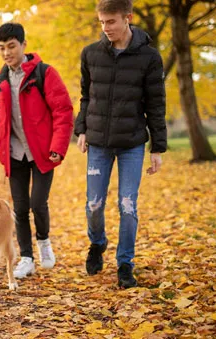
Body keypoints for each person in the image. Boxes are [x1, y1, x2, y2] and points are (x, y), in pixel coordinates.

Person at [0, 23, 74, 279]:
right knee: (21, 208)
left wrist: (58, 146)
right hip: (15, 154)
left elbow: (63, 111)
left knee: (38, 202)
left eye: (11, 46)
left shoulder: (44, 74)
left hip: (43, 152)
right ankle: (26, 257)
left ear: (23, 45)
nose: (6, 53)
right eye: (1, 48)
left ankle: (44, 242)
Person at [74, 0, 167, 288]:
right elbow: (86, 96)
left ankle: (125, 264)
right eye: (102, 22)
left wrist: (158, 148)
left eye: (111, 21)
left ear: (127, 18)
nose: (106, 28)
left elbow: (156, 103)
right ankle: (97, 243)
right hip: (99, 142)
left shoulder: (150, 58)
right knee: (94, 204)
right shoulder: (90, 54)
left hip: (131, 143)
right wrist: (82, 129)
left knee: (128, 206)